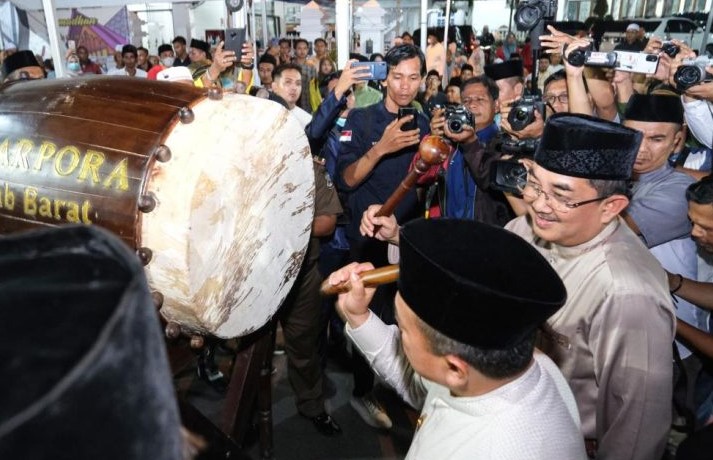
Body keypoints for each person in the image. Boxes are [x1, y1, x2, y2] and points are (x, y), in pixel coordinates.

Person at [327, 218, 587, 459]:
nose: (399, 334)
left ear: (455, 367)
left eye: (403, 330)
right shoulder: (524, 367)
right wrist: (358, 316)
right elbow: (426, 387)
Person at [505, 113, 676, 460]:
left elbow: (636, 428)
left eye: (561, 195)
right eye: (535, 184)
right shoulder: (527, 229)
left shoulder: (628, 293)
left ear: (611, 207)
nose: (539, 203)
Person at [336, 44, 430, 429]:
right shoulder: (360, 119)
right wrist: (381, 148)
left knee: (404, 317)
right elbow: (346, 179)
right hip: (365, 236)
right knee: (364, 313)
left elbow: (426, 187)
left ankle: (403, 384)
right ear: (385, 76)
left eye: (413, 78)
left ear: (422, 81)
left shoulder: (425, 125)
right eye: (397, 76)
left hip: (403, 237)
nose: (405, 87)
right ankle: (362, 391)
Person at [272, 63, 311, 128]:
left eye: (298, 83)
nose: (294, 88)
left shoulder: (308, 121)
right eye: (288, 82)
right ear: (275, 87)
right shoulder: (264, 114)